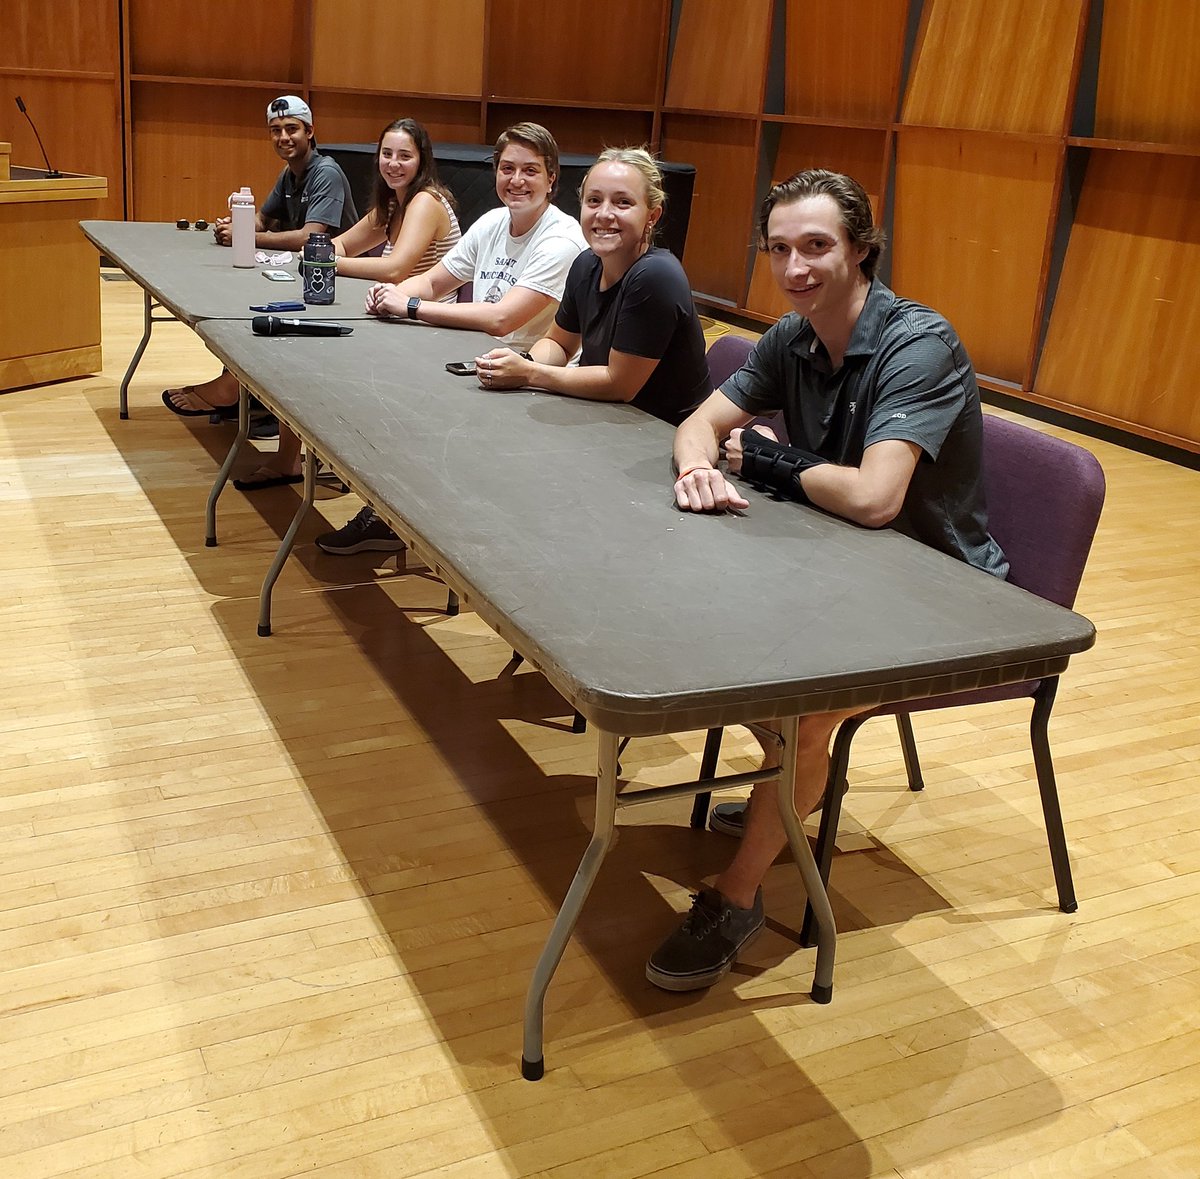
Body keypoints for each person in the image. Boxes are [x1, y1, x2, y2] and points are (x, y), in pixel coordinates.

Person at [647, 168, 1008, 993]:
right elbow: (701, 423)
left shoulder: (918, 344)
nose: (795, 267)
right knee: (704, 625)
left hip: (940, 588)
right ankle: (784, 792)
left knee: (804, 712)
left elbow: (877, 499)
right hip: (841, 563)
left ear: (862, 250)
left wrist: (767, 459)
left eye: (816, 246)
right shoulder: (794, 334)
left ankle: (738, 895)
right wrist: (698, 469)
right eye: (779, 249)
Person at [315, 122, 587, 554]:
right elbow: (434, 280)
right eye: (507, 169)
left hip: (532, 379)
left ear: (552, 179)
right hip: (479, 360)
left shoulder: (563, 239)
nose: (517, 180)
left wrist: (410, 306)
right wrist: (391, 295)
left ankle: (412, 519)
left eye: (530, 171)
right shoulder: (493, 222)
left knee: (409, 406)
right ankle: (391, 512)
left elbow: (501, 318)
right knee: (383, 383)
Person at [230, 118, 462, 490]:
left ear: (422, 160)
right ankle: (290, 459)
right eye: (387, 154)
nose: (393, 163)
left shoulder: (425, 201)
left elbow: (395, 268)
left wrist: (325, 262)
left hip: (427, 327)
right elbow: (340, 244)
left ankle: (334, 459)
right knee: (297, 345)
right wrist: (322, 251)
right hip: (389, 312)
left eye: (404, 156)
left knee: (314, 353)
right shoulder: (392, 202)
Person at [472, 147, 710, 428]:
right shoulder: (586, 263)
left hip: (665, 432)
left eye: (623, 203)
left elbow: (619, 384)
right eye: (594, 200)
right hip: (606, 419)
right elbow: (559, 343)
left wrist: (528, 373)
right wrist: (522, 362)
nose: (604, 214)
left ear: (652, 216)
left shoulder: (656, 275)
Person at [162, 96, 357, 431]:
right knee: (237, 303)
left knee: (262, 313)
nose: (283, 137)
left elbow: (310, 237)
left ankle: (238, 392)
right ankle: (246, 392)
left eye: (291, 129)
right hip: (295, 272)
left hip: (333, 283)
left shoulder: (326, 173)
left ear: (310, 132)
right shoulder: (289, 173)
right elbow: (263, 221)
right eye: (275, 130)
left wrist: (246, 238)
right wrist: (236, 224)